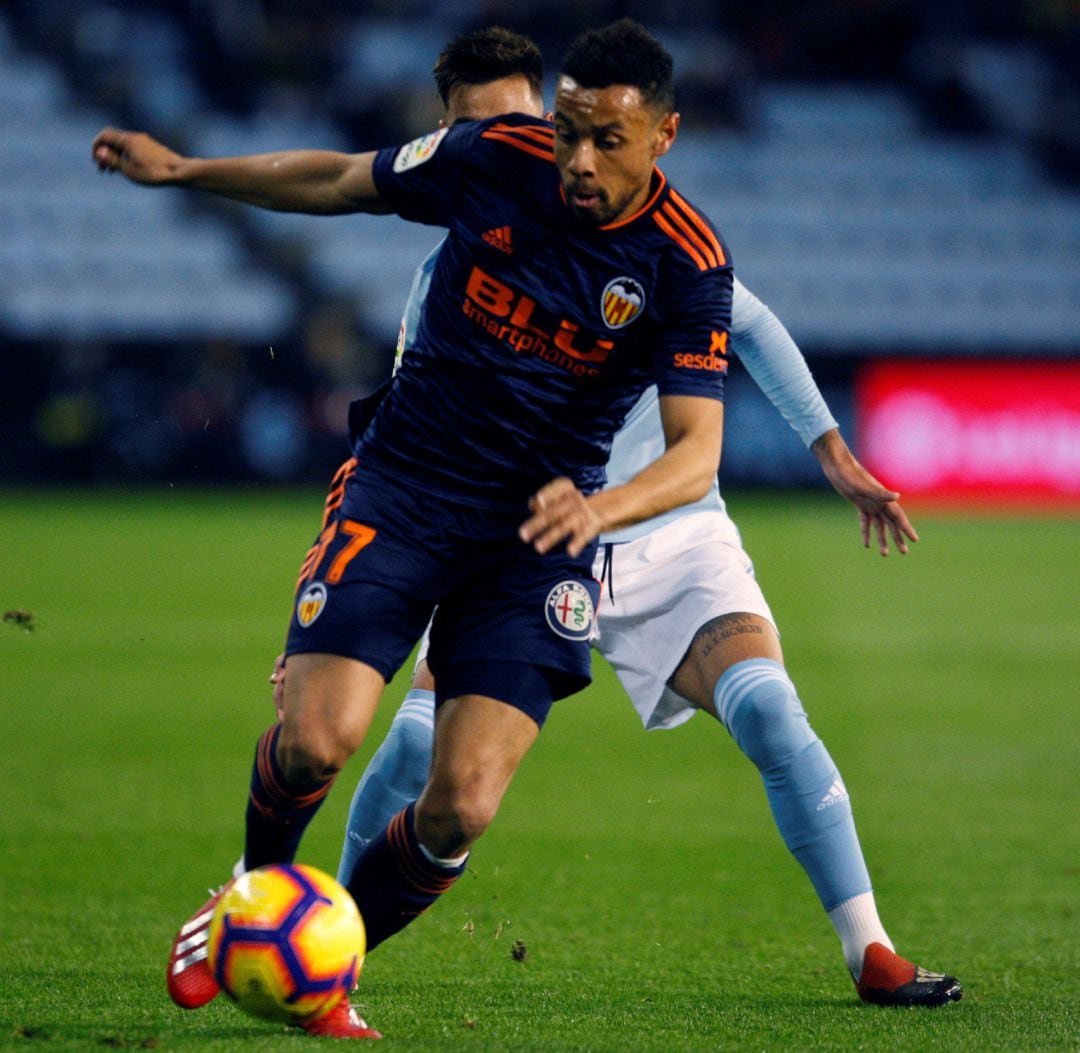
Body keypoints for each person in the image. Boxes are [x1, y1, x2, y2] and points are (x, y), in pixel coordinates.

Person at [94, 20, 740, 1040]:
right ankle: (251, 900)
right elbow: (341, 180)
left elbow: (696, 452)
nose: (577, 158)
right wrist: (186, 171)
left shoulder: (687, 262)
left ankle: (324, 970)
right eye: (568, 129)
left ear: (663, 135)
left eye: (606, 139)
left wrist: (599, 507)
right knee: (316, 741)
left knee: (461, 810)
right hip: (406, 487)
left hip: (540, 536)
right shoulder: (493, 156)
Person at [308, 27, 962, 1011]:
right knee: (411, 754)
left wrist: (831, 451)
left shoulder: (658, 247)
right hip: (517, 546)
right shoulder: (448, 277)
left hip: (664, 532)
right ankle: (328, 955)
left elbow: (752, 321)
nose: (500, 146)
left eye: (521, 123)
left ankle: (870, 948)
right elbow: (395, 444)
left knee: (774, 712)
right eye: (466, 130)